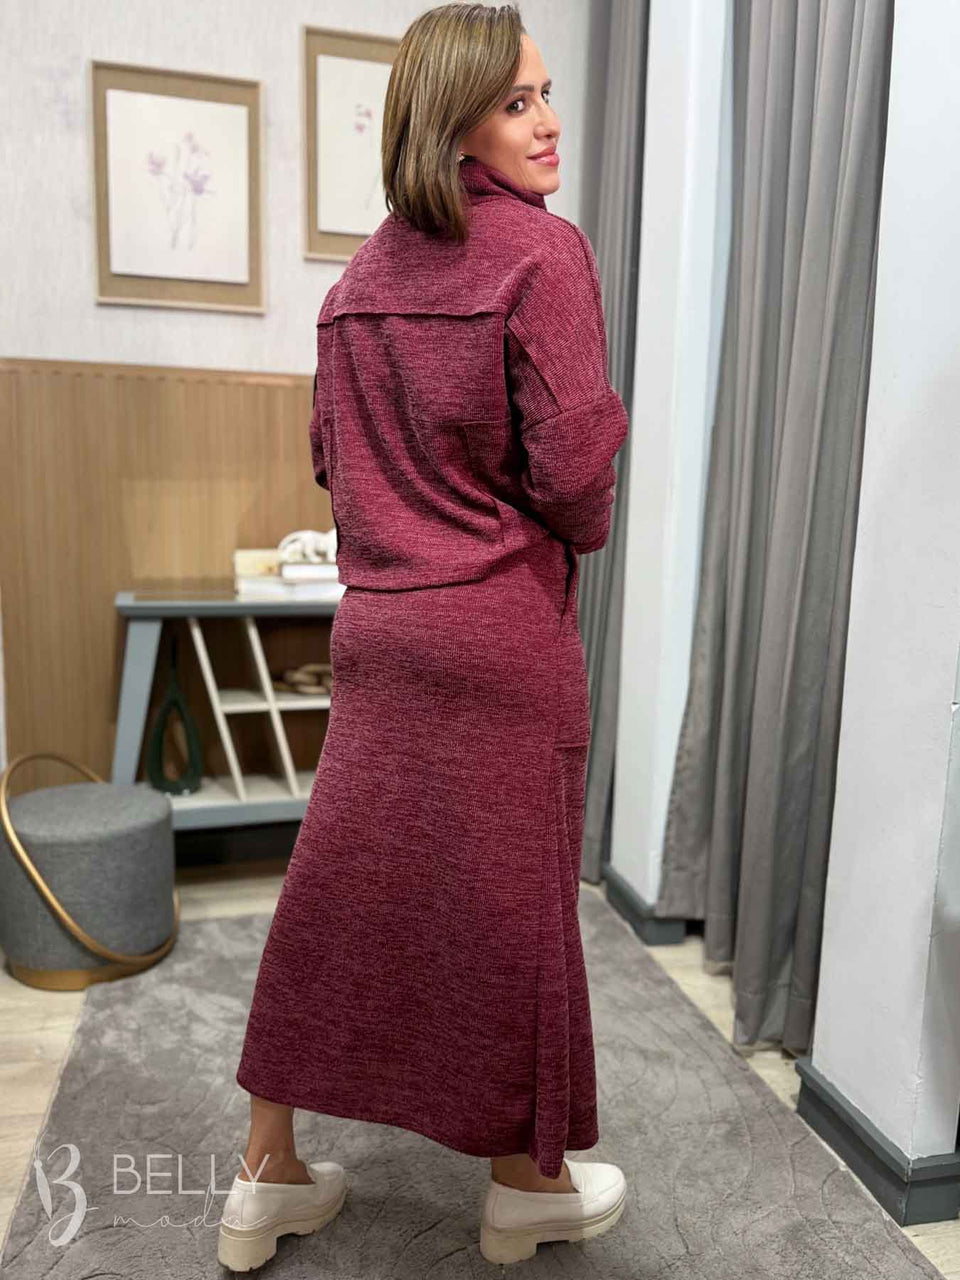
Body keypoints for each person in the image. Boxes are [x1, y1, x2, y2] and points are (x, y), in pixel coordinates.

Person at [218, 3, 629, 1270]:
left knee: (333, 890)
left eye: (547, 94)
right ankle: (526, 1183)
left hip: (379, 632)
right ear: (453, 123)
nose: (548, 122)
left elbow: (332, 463)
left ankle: (266, 1172)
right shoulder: (542, 254)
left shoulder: (355, 284)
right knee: (516, 908)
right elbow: (579, 484)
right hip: (501, 634)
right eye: (516, 102)